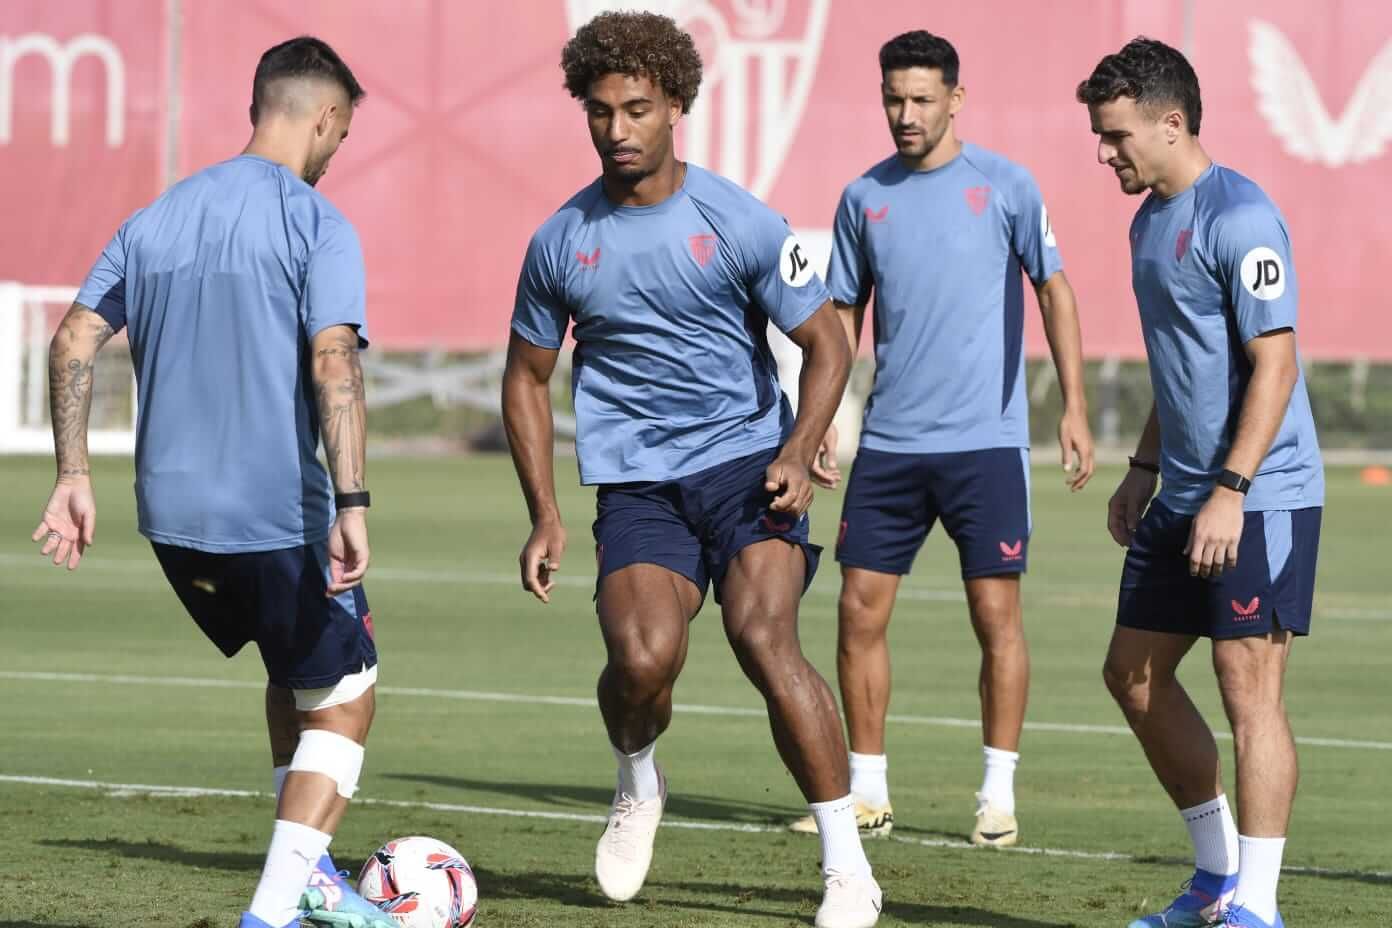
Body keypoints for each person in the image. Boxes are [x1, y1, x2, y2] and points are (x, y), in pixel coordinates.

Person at [501, 11, 880, 927]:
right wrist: (545, 514)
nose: (618, 129)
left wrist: (798, 447)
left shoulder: (739, 218)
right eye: (600, 112)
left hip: (748, 466)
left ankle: (846, 865)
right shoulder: (561, 241)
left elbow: (828, 342)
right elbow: (525, 378)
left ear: (676, 105)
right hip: (638, 484)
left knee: (763, 637)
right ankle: (638, 781)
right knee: (641, 660)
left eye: (636, 109)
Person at [29, 36, 395, 928]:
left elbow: (73, 338)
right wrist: (352, 503)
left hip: (172, 521)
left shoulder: (153, 218)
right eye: (341, 136)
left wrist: (73, 475)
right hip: (274, 513)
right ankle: (274, 914)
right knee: (348, 698)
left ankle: (308, 881)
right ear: (326, 117)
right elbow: (333, 357)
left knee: (291, 673)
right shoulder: (317, 224)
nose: (337, 151)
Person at [788, 30, 1094, 848]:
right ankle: (868, 794)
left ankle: (998, 794)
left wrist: (1072, 405)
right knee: (857, 611)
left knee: (995, 615)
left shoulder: (1006, 186)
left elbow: (1055, 292)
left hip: (984, 446)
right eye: (894, 99)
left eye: (923, 99)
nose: (906, 114)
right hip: (890, 444)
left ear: (956, 99)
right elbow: (842, 318)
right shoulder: (863, 197)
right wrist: (820, 422)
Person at [1076, 37, 1324, 928]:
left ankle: (1258, 908)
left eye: (1116, 135)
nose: (1106, 152)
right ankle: (1217, 878)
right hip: (1179, 490)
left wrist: (1230, 487)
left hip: (1259, 493)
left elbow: (1275, 366)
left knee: (1244, 683)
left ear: (1170, 123)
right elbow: (1179, 364)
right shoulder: (1148, 221)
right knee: (1132, 675)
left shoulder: (1243, 216)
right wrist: (1145, 467)